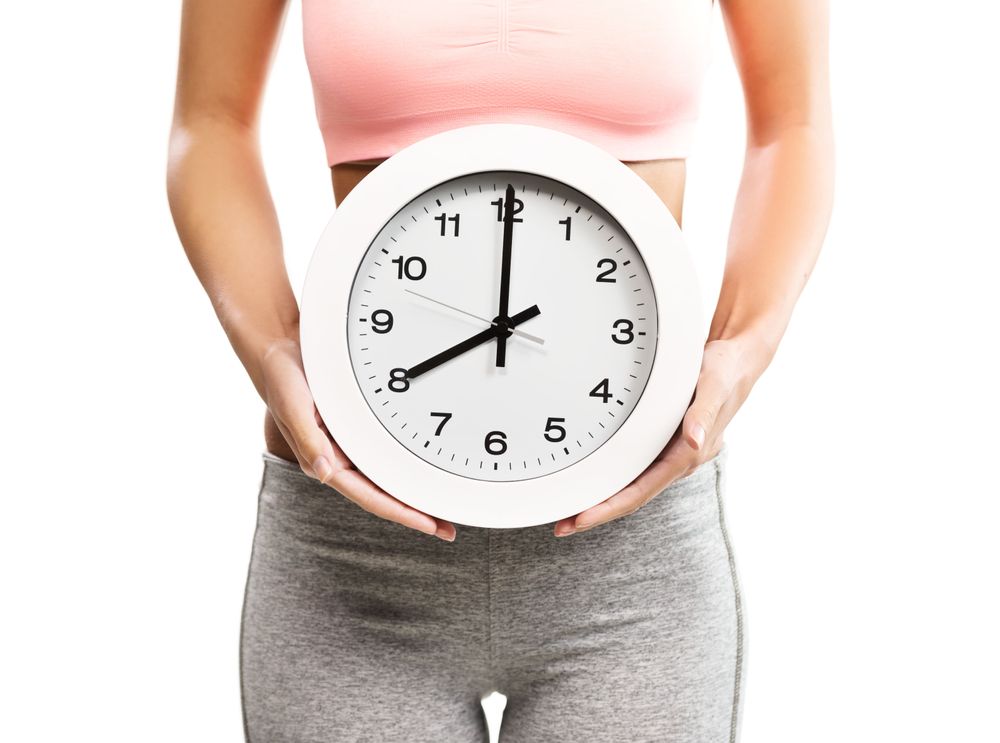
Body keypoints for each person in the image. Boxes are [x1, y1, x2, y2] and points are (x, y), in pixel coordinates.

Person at [166, 1, 833, 740]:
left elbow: (792, 124)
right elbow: (212, 121)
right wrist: (273, 349)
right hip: (354, 541)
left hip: (629, 548)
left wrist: (741, 350)